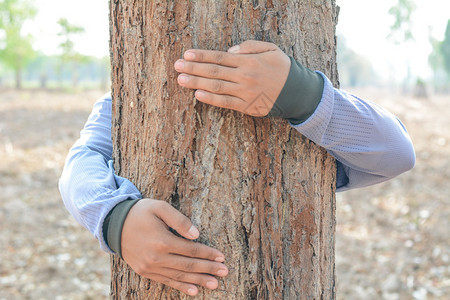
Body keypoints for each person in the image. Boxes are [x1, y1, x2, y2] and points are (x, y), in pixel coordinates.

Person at [59, 40, 415, 297]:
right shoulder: (126, 97)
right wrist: (113, 218)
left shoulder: (313, 106)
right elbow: (82, 160)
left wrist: (301, 95)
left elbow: (397, 154)